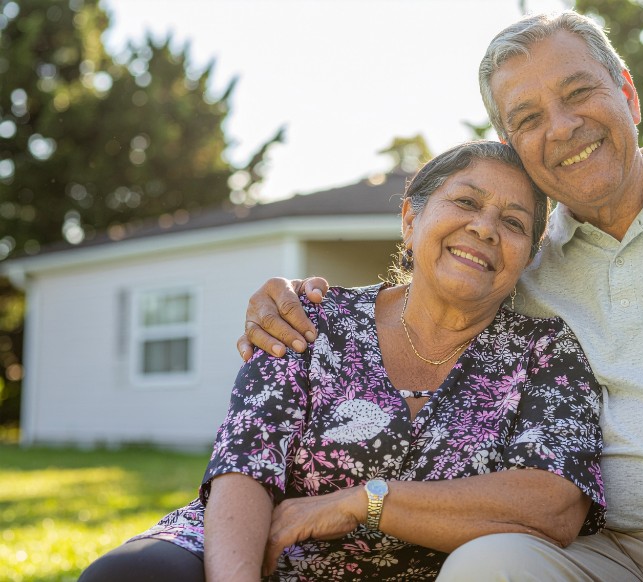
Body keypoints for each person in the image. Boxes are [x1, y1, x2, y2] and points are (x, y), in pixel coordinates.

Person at [240, 10, 643, 582]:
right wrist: (302, 300)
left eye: (578, 93)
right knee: (485, 567)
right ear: (513, 147)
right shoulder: (519, 261)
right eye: (528, 117)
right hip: (596, 555)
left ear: (628, 95)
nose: (561, 128)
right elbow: (425, 309)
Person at [79, 141, 606, 582]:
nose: (486, 228)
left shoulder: (544, 351)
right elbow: (244, 467)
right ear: (410, 218)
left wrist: (365, 501)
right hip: (258, 555)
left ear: (528, 256)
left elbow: (551, 506)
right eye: (466, 202)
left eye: (513, 222)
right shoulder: (309, 319)